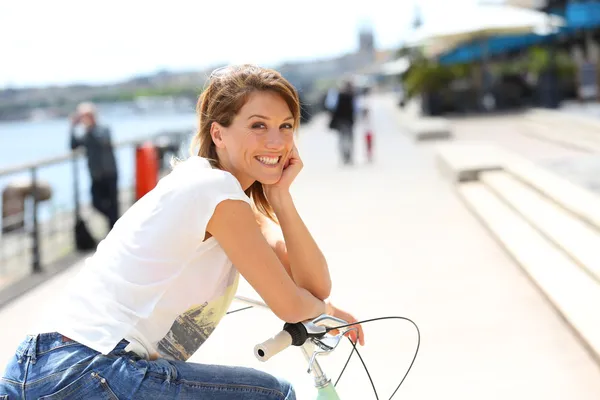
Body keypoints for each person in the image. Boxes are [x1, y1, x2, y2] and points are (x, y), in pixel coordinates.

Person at [0, 65, 364, 399]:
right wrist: (324, 310)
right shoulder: (214, 189)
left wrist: (281, 199)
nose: (277, 141)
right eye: (258, 125)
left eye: (286, 126)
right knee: (274, 395)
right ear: (218, 134)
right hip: (91, 367)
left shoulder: (218, 194)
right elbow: (289, 303)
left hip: (39, 366)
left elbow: (314, 285)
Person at [70, 102, 119, 230]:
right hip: (96, 175)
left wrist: (89, 128)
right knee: (96, 204)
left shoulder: (103, 129)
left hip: (109, 173)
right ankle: (115, 222)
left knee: (113, 205)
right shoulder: (85, 133)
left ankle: (114, 227)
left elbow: (102, 141)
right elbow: (73, 145)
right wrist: (72, 127)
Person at [327, 80, 359, 165]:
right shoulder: (352, 96)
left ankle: (344, 157)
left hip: (340, 120)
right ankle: (349, 157)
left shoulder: (337, 95)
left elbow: (331, 106)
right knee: (349, 139)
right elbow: (356, 109)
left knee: (342, 139)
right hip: (349, 120)